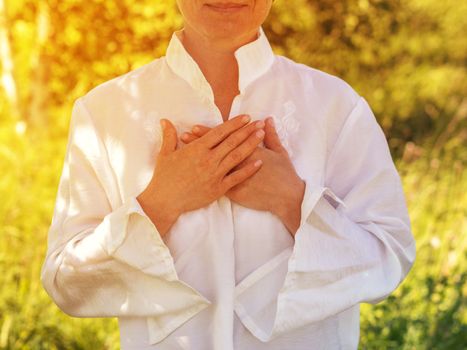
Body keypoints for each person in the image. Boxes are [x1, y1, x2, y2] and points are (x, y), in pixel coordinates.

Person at [40, 1, 416, 349]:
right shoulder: (105, 114)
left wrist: (292, 201)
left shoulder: (336, 107)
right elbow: (67, 282)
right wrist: (158, 205)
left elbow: (389, 257)